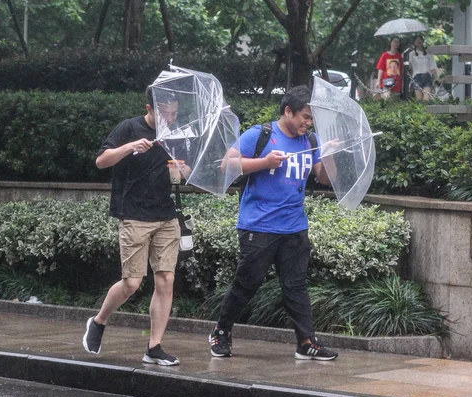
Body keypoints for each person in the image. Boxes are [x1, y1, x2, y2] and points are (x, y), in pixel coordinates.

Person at [209, 85, 339, 361]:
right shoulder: (261, 134)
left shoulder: (309, 140)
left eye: (311, 119)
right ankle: (221, 331)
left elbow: (324, 178)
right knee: (247, 283)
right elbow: (226, 165)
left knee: (296, 286)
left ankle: (306, 342)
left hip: (294, 226)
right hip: (258, 225)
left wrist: (327, 153)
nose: (308, 123)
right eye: (304, 116)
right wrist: (264, 161)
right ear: (288, 111)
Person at [82, 85, 189, 366]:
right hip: (134, 215)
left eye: (174, 114)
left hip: (166, 215)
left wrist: (180, 171)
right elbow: (101, 161)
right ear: (150, 110)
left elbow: (182, 176)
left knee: (166, 279)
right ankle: (99, 320)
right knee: (132, 282)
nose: (170, 119)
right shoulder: (128, 128)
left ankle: (154, 347)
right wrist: (130, 147)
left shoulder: (174, 136)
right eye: (165, 114)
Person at [409, 35, 438, 101]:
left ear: (423, 41)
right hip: (416, 77)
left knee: (426, 99)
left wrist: (436, 78)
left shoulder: (429, 53)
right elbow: (409, 68)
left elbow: (433, 67)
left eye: (420, 39)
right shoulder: (412, 53)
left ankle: (426, 111)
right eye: (416, 40)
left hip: (427, 76)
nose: (418, 41)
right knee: (418, 99)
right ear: (414, 42)